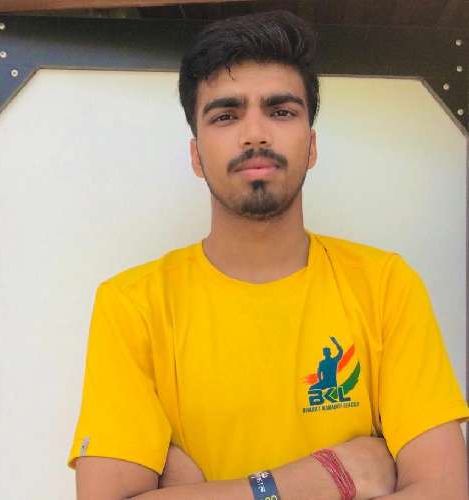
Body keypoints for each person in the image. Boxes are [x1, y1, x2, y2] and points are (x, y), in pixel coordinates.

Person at [68, 10, 469, 500]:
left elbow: (447, 491)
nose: (255, 134)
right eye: (226, 115)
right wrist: (329, 476)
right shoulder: (133, 305)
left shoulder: (385, 286)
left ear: (312, 146)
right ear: (196, 155)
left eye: (281, 111)